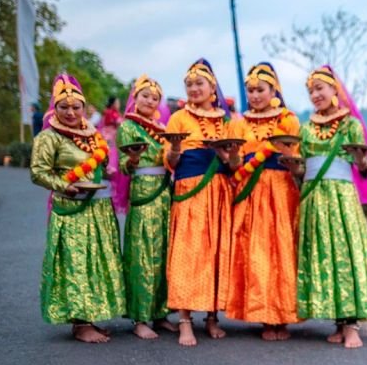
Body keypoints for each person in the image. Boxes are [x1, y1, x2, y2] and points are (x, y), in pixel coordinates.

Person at [296, 65, 367, 348]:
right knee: (324, 256)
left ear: (334, 90)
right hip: (314, 199)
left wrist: (361, 159)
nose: (315, 95)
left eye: (320, 89)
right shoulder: (306, 128)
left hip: (341, 198)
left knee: (345, 255)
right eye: (311, 91)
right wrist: (293, 166)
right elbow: (301, 169)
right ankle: (337, 323)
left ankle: (352, 325)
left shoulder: (350, 125)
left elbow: (363, 168)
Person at [29, 74, 126, 343]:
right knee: (76, 262)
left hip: (98, 206)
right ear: (55, 108)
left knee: (96, 261)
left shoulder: (91, 133)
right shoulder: (49, 137)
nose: (70, 112)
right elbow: (38, 172)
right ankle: (80, 324)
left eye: (76, 107)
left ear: (84, 107)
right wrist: (64, 185)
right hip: (71, 208)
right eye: (64, 107)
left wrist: (107, 170)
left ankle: (89, 317)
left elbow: (98, 162)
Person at [163, 58, 237, 347]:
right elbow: (170, 162)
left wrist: (224, 155)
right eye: (189, 85)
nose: (194, 89)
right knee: (189, 253)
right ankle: (185, 320)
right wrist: (176, 148)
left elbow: (234, 166)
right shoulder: (179, 118)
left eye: (199, 84)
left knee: (216, 251)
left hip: (219, 191)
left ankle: (212, 316)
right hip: (190, 189)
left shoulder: (226, 121)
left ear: (212, 87)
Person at [225, 62, 301, 340]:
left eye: (261, 90)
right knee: (256, 251)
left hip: (281, 190)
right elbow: (233, 166)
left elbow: (297, 158)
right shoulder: (238, 123)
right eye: (251, 91)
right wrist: (234, 158)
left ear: (274, 90)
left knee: (282, 250)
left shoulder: (288, 120)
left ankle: (284, 316)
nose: (255, 95)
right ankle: (266, 317)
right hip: (251, 191)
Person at [117, 75, 175, 340]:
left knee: (163, 253)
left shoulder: (162, 128)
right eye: (145, 96)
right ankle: (140, 317)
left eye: (155, 98)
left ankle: (160, 314)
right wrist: (132, 159)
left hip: (165, 193)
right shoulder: (128, 127)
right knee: (142, 254)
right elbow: (122, 165)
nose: (150, 101)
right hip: (143, 192)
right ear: (135, 97)